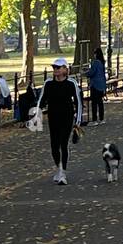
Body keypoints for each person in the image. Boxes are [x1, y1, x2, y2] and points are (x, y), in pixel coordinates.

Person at [38, 56, 82, 185]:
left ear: (65, 69)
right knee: (54, 146)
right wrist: (36, 113)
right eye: (54, 67)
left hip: (67, 117)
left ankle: (63, 172)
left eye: (58, 67)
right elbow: (41, 99)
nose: (55, 70)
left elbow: (78, 103)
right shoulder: (48, 83)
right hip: (53, 118)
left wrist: (78, 122)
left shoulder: (71, 83)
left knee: (63, 144)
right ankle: (58, 167)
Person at [87, 47, 107, 123]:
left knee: (94, 103)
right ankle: (102, 118)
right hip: (101, 84)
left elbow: (92, 72)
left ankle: (94, 119)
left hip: (95, 84)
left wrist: (86, 73)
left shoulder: (95, 63)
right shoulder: (102, 62)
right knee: (100, 102)